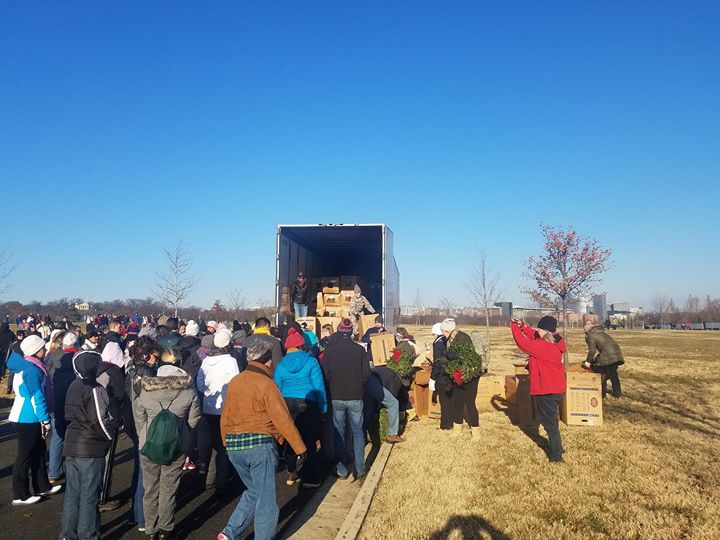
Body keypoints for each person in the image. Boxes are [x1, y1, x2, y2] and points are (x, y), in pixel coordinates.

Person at [218, 341, 307, 540]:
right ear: (267, 362)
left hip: (234, 444)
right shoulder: (267, 383)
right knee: (267, 500)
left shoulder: (236, 381)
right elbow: (281, 418)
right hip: (259, 443)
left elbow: (226, 414)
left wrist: (225, 440)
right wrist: (300, 447)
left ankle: (229, 533)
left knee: (253, 491)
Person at [134, 363, 201, 540]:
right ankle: (166, 527)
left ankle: (151, 529)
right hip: (177, 446)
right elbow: (194, 420)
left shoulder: (145, 392)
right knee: (169, 487)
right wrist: (184, 432)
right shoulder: (189, 393)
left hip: (148, 445)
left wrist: (145, 433)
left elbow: (139, 417)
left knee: (150, 488)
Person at [60, 351, 119, 540]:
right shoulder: (95, 388)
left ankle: (68, 534)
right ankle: (88, 535)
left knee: (72, 494)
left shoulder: (73, 385)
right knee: (89, 495)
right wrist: (109, 437)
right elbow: (99, 420)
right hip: (90, 447)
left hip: (72, 443)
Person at [7, 334, 62, 505]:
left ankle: (42, 485)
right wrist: (45, 419)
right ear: (35, 351)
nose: (45, 350)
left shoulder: (29, 365)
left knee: (38, 451)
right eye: (42, 348)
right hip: (27, 418)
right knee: (25, 455)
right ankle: (20, 494)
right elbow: (36, 397)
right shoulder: (32, 369)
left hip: (27, 415)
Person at [273, 328, 327, 488]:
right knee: (309, 440)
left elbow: (277, 387)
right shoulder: (311, 361)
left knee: (291, 437)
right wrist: (323, 408)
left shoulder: (281, 364)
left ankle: (292, 472)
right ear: (301, 345)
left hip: (287, 403)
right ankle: (311, 478)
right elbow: (319, 386)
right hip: (308, 402)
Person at [511, 316, 567, 463]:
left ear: (545, 330)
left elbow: (523, 343)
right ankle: (558, 447)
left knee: (549, 424)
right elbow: (533, 336)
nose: (537, 331)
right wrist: (522, 326)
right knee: (552, 421)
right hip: (556, 388)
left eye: (539, 329)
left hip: (547, 390)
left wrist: (514, 326)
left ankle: (556, 455)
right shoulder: (553, 341)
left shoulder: (545, 347)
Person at [323, 318, 370, 480]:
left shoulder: (329, 351)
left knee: (339, 433)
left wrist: (333, 385)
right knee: (358, 433)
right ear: (351, 332)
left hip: (337, 397)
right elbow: (366, 375)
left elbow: (326, 374)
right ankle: (360, 468)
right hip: (356, 396)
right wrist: (358, 385)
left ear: (338, 330)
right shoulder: (359, 350)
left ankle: (342, 469)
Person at [196, 329, 240, 494]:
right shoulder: (230, 361)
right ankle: (221, 482)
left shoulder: (206, 360)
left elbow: (200, 382)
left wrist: (208, 393)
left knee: (213, 444)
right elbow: (236, 384)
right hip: (226, 408)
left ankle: (209, 478)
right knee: (224, 446)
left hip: (209, 406)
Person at [441, 318, 482, 441]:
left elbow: (464, 358)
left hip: (470, 376)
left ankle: (476, 432)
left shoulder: (461, 338)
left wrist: (449, 358)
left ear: (447, 330)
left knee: (470, 403)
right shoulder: (453, 338)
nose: (442, 334)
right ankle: (457, 429)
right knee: (457, 402)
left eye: (443, 331)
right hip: (459, 375)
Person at [48, 332, 80, 484]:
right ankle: (72, 471)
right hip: (74, 402)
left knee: (57, 436)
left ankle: (54, 471)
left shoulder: (54, 357)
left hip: (56, 400)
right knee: (75, 437)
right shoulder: (79, 358)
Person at [583, 321, 625, 398]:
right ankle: (617, 392)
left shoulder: (591, 336)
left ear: (587, 332)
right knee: (613, 374)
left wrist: (587, 362)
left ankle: (602, 394)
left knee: (601, 373)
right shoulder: (602, 333)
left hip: (609, 355)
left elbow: (592, 351)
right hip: (617, 354)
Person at [429, 323, 452, 432]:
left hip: (442, 376)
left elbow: (437, 362)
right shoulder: (445, 341)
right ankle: (450, 422)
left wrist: (433, 378)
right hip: (447, 374)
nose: (433, 336)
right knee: (448, 400)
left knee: (444, 401)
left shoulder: (438, 344)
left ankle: (446, 425)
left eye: (433, 334)